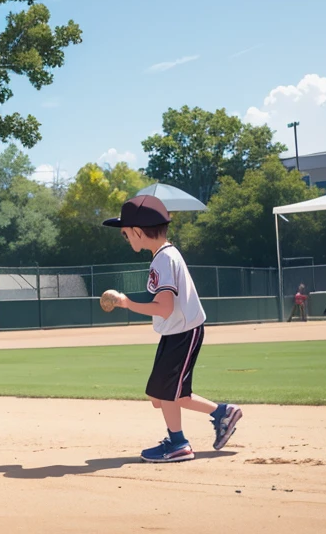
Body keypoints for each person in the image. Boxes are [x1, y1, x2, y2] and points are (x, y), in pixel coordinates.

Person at [102, 195, 242, 463]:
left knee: (167, 393)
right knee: (160, 395)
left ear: (138, 232)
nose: (126, 238)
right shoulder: (165, 255)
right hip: (176, 332)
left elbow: (164, 307)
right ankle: (222, 413)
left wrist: (127, 303)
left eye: (125, 234)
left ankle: (178, 444)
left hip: (182, 333)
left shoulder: (163, 260)